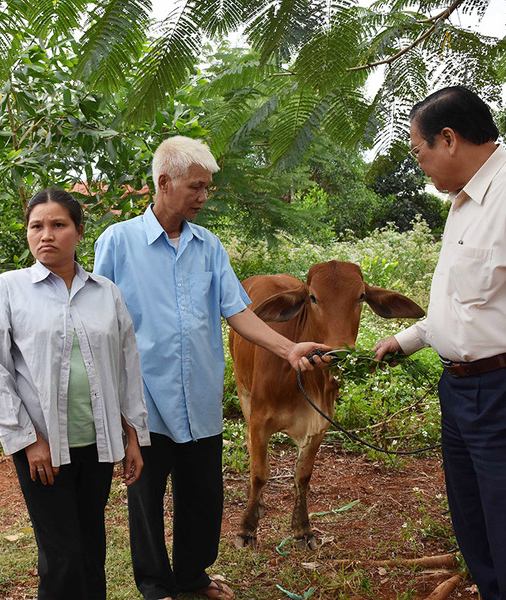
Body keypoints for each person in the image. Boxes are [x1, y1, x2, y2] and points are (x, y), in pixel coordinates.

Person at [93, 136, 329, 600]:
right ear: (164, 183)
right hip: (144, 399)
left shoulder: (208, 247)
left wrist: (288, 349)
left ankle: (193, 578)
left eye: (207, 188)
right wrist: (112, 403)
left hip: (198, 396)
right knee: (146, 500)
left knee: (201, 495)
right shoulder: (117, 243)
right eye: (196, 187)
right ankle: (157, 586)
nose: (204, 197)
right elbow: (101, 325)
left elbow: (237, 312)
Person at [372, 86, 506, 599]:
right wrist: (408, 339)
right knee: (478, 530)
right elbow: (467, 303)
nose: (420, 165)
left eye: (419, 152)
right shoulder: (463, 203)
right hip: (463, 392)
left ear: (448, 139)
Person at [0, 188, 150, 600]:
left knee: (91, 546)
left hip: (98, 443)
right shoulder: (7, 290)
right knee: (62, 554)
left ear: (79, 232)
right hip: (42, 449)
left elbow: (127, 367)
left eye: (58, 225)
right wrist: (27, 440)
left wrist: (133, 436)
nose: (46, 235)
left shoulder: (105, 293)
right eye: (36, 226)